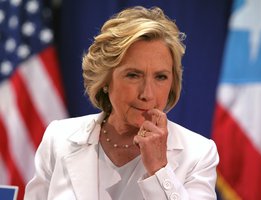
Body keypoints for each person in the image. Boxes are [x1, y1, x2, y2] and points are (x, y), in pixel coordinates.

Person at [24, 6, 219, 200]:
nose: (147, 94)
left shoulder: (199, 154)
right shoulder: (59, 138)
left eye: (160, 77)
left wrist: (159, 170)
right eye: (133, 75)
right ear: (105, 80)